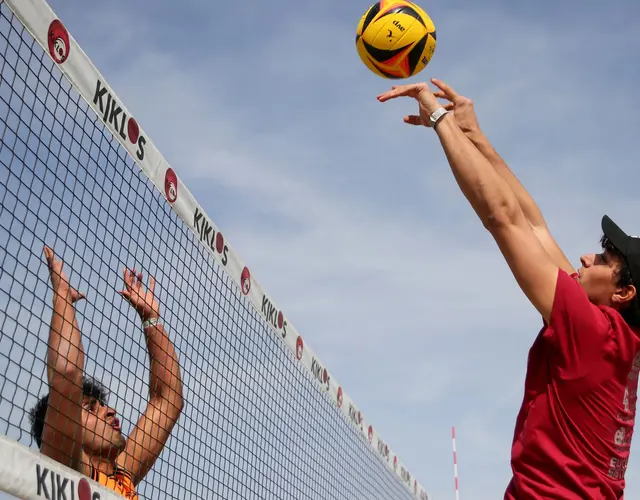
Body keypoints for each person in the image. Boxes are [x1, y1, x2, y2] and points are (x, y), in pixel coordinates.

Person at [378, 80, 640, 499]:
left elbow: (502, 217)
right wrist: (474, 135)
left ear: (624, 294)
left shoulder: (591, 331)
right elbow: (532, 223)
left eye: (606, 260)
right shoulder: (614, 339)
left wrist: (439, 117)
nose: (588, 258)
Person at [29, 246, 184, 499]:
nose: (109, 410)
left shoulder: (121, 476)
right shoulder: (66, 465)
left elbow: (168, 401)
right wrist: (63, 298)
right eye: (90, 408)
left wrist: (151, 318)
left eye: (101, 405)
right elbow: (66, 375)